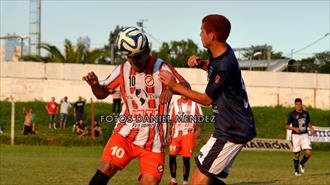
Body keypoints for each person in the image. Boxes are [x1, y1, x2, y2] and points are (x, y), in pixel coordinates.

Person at [84, 26, 190, 185]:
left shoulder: (162, 68)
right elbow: (102, 93)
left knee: (150, 182)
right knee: (106, 168)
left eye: (137, 57)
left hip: (154, 139)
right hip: (126, 133)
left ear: (148, 50)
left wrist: (171, 89)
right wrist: (94, 86)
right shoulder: (122, 70)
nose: (133, 62)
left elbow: (185, 85)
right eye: (129, 57)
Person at [159, 14, 256, 185]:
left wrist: (175, 86)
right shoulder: (222, 52)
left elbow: (206, 99)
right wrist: (201, 63)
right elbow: (215, 69)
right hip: (231, 127)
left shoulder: (224, 65)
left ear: (211, 36)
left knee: (198, 180)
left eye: (202, 31)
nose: (200, 35)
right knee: (204, 179)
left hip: (232, 130)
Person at [167, 96, 203, 185]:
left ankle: (185, 182)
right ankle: (173, 180)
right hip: (175, 134)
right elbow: (170, 120)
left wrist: (198, 130)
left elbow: (201, 118)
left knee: (186, 159)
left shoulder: (195, 104)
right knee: (172, 156)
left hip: (188, 134)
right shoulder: (175, 104)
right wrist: (168, 133)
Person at [286, 98, 315, 176]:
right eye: (297, 104)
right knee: (297, 155)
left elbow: (308, 122)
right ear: (295, 105)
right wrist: (294, 128)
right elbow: (286, 125)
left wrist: (311, 128)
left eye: (300, 104)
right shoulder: (291, 114)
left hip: (304, 134)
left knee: (309, 152)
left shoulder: (306, 113)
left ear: (302, 104)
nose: (298, 106)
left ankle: (302, 163)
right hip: (295, 136)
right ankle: (296, 171)